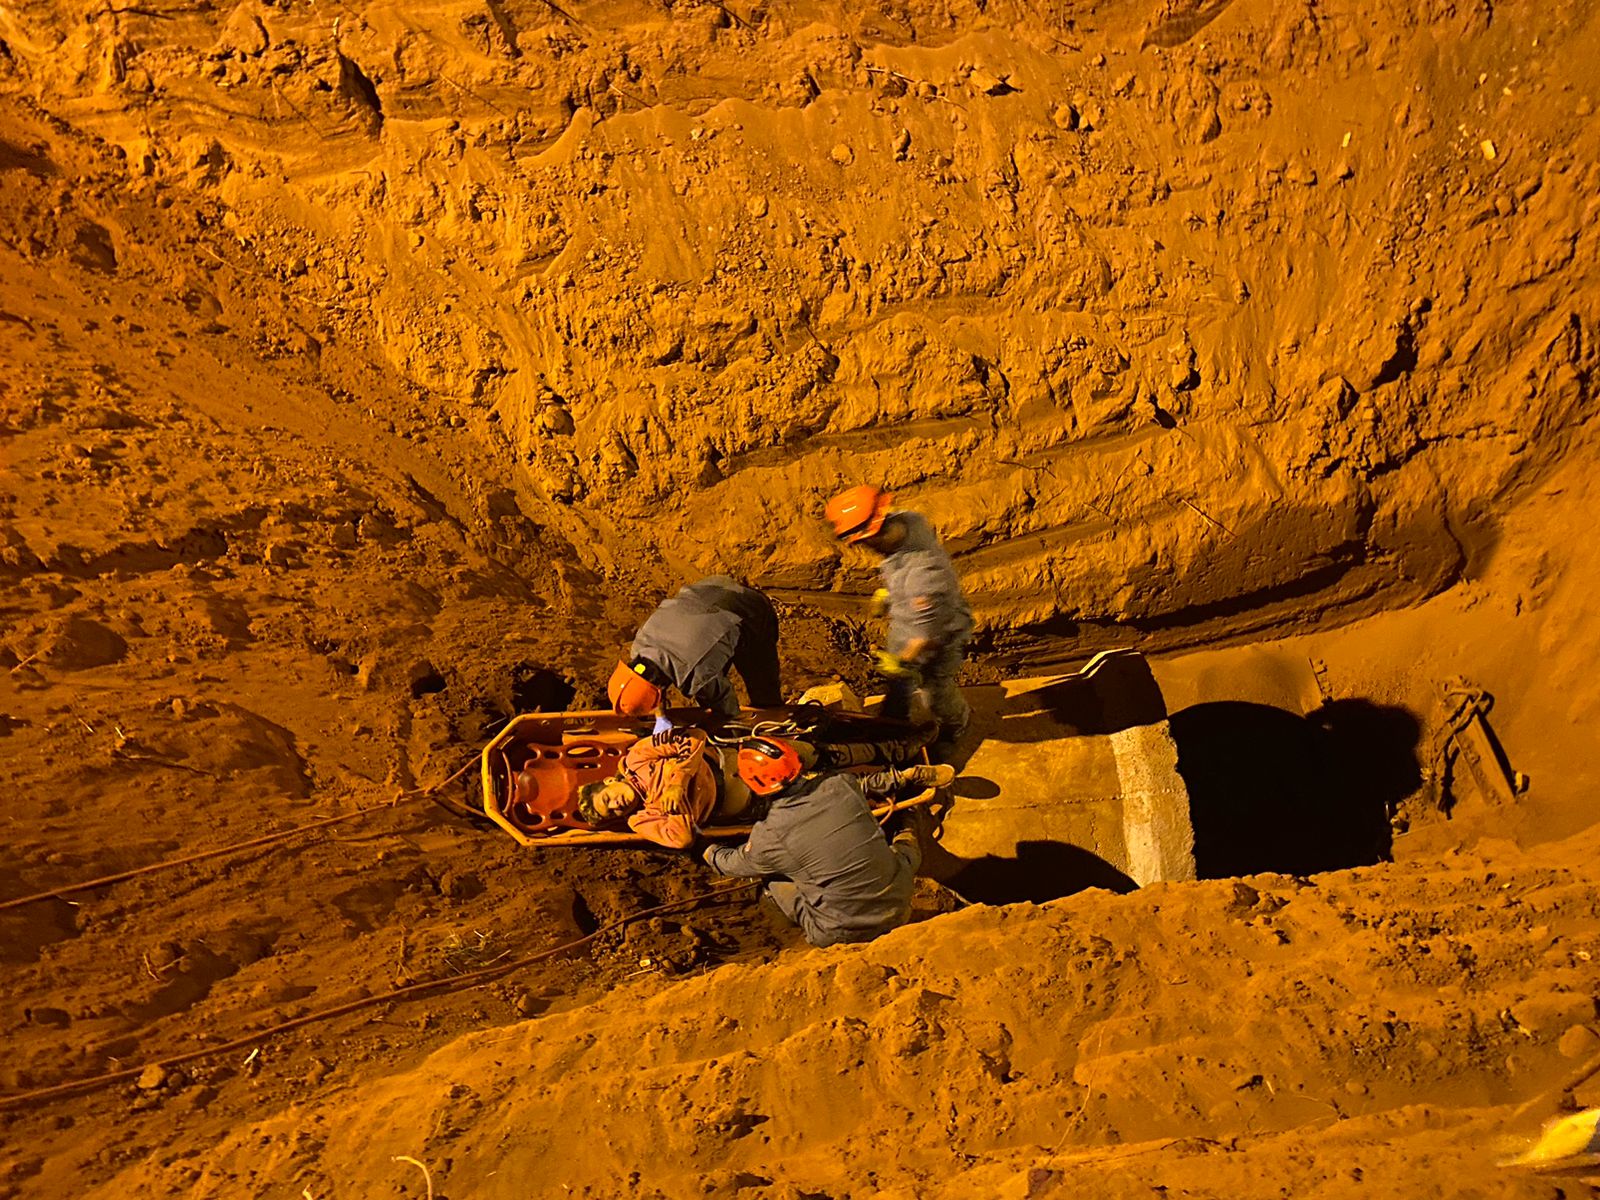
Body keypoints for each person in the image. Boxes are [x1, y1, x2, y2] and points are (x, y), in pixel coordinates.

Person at [701, 736, 947, 948]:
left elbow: (733, 864)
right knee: (905, 851)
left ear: (751, 785)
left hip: (840, 933)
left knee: (771, 876)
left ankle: (791, 923)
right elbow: (863, 784)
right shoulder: (839, 785)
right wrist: (901, 778)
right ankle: (911, 820)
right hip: (900, 905)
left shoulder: (770, 836)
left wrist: (703, 848)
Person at [578, 727, 949, 852]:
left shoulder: (639, 756)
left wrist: (678, 779)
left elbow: (692, 738)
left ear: (610, 782)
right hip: (751, 801)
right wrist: (675, 805)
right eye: (613, 812)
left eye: (609, 799)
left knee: (821, 754)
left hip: (741, 761)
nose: (617, 805)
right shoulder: (643, 819)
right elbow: (680, 839)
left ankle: (899, 746)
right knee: (828, 794)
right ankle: (906, 778)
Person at [824, 485, 974, 759]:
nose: (863, 548)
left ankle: (955, 725)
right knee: (900, 688)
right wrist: (893, 595)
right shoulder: (908, 522)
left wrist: (901, 663)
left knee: (935, 691)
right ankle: (895, 723)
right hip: (913, 619)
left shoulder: (923, 577)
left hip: (937, 637)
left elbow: (924, 636)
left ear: (873, 534)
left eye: (862, 542)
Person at [608, 576, 782, 727]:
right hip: (711, 587)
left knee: (762, 686)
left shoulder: (698, 676)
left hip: (749, 609)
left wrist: (702, 730)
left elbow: (728, 713)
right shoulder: (640, 645)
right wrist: (661, 716)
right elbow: (650, 681)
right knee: (712, 662)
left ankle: (774, 718)